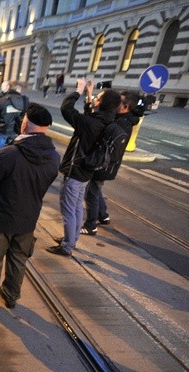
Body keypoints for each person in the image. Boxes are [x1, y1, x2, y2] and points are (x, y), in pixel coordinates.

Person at [0, 104, 60, 308]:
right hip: (29, 218)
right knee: (19, 259)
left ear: (25, 124)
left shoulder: (9, 154)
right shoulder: (54, 157)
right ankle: (11, 295)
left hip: (2, 216)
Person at [46, 80, 121, 256]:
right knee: (78, 207)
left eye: (97, 97)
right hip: (87, 172)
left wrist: (77, 91)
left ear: (101, 103)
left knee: (68, 210)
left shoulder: (89, 123)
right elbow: (90, 117)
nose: (95, 98)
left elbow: (66, 109)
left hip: (76, 170)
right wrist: (88, 95)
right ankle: (71, 239)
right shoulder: (107, 121)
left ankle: (67, 246)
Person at [81, 90, 140, 235]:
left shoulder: (120, 123)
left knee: (91, 193)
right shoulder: (125, 120)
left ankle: (90, 225)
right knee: (96, 189)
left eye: (119, 102)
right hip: (109, 163)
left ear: (125, 106)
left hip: (103, 163)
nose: (115, 104)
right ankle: (103, 215)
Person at [0, 81, 29, 157]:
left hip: (2, 130)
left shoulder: (2, 100)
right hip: (15, 131)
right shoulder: (24, 101)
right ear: (19, 89)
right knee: (12, 153)